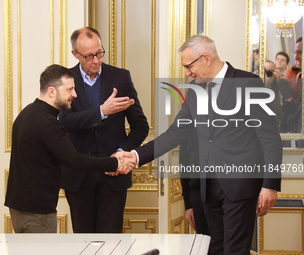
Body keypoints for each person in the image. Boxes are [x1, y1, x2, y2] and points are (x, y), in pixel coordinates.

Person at [119, 34, 282, 255]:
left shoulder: (248, 83)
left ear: (206, 58)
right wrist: (136, 156)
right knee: (213, 250)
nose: (186, 73)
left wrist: (270, 185)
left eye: (188, 66)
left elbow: (269, 138)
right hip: (208, 187)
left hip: (240, 185)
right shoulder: (195, 91)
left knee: (235, 250)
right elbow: (175, 133)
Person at [4, 64, 133, 233]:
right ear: (52, 91)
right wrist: (114, 163)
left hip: (20, 207)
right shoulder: (48, 123)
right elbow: (74, 160)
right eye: (70, 89)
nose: (75, 94)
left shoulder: (27, 113)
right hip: (37, 211)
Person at [58, 27, 149, 233]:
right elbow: (64, 122)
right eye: (89, 56)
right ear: (75, 54)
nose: (96, 60)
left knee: (112, 242)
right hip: (78, 175)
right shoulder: (65, 80)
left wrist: (122, 152)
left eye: (99, 53)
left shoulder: (120, 77)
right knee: (84, 240)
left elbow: (140, 126)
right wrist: (100, 111)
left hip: (114, 173)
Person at [179, 131, 209, 235]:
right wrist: (188, 205)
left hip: (231, 194)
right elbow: (184, 164)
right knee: (205, 245)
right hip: (198, 194)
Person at [264, 60, 292, 130]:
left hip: (278, 121)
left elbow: (288, 95)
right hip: (263, 120)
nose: (268, 73)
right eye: (265, 71)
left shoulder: (280, 82)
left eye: (270, 71)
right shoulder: (257, 82)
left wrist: (279, 80)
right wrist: (267, 82)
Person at [284, 37, 302, 102]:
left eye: (300, 53)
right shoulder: (289, 73)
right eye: (295, 53)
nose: (296, 57)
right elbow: (289, 98)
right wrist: (298, 82)